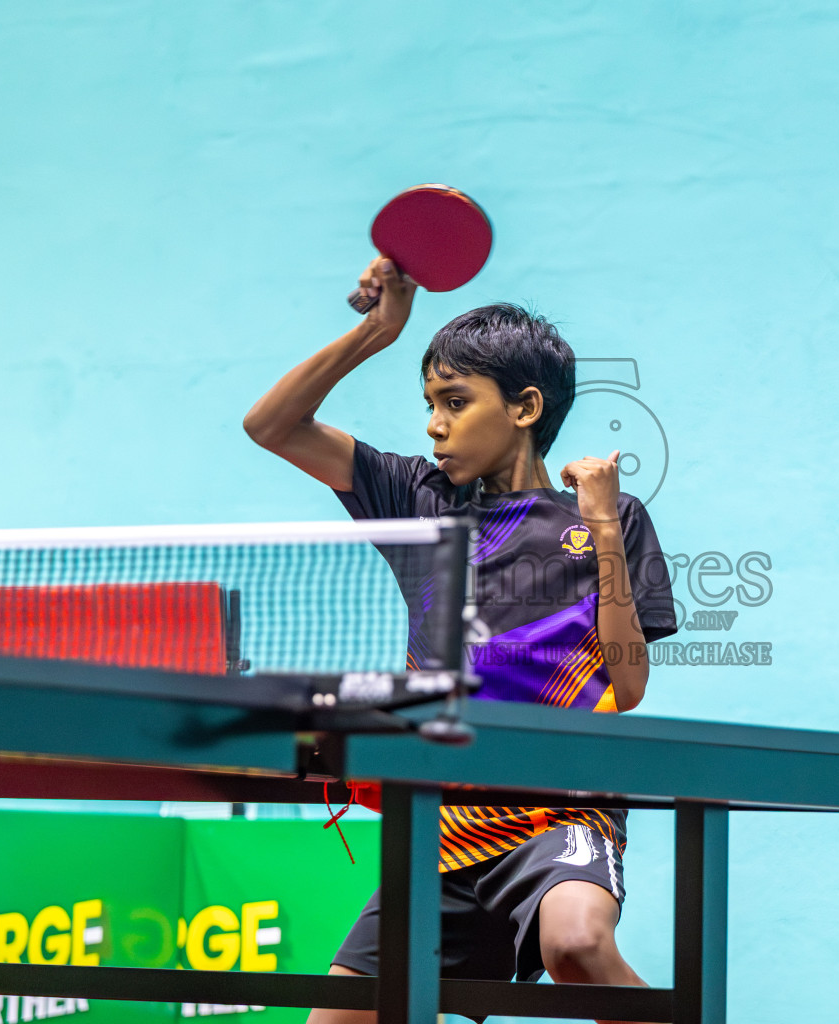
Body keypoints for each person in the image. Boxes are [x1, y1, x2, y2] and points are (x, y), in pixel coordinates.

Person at [244, 258, 676, 1024]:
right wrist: (377, 331)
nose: (433, 425)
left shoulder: (610, 519)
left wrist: (604, 522)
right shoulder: (416, 500)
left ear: (525, 407)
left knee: (575, 944)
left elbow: (629, 686)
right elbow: (271, 426)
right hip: (441, 828)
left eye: (454, 402)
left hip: (559, 814)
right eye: (429, 404)